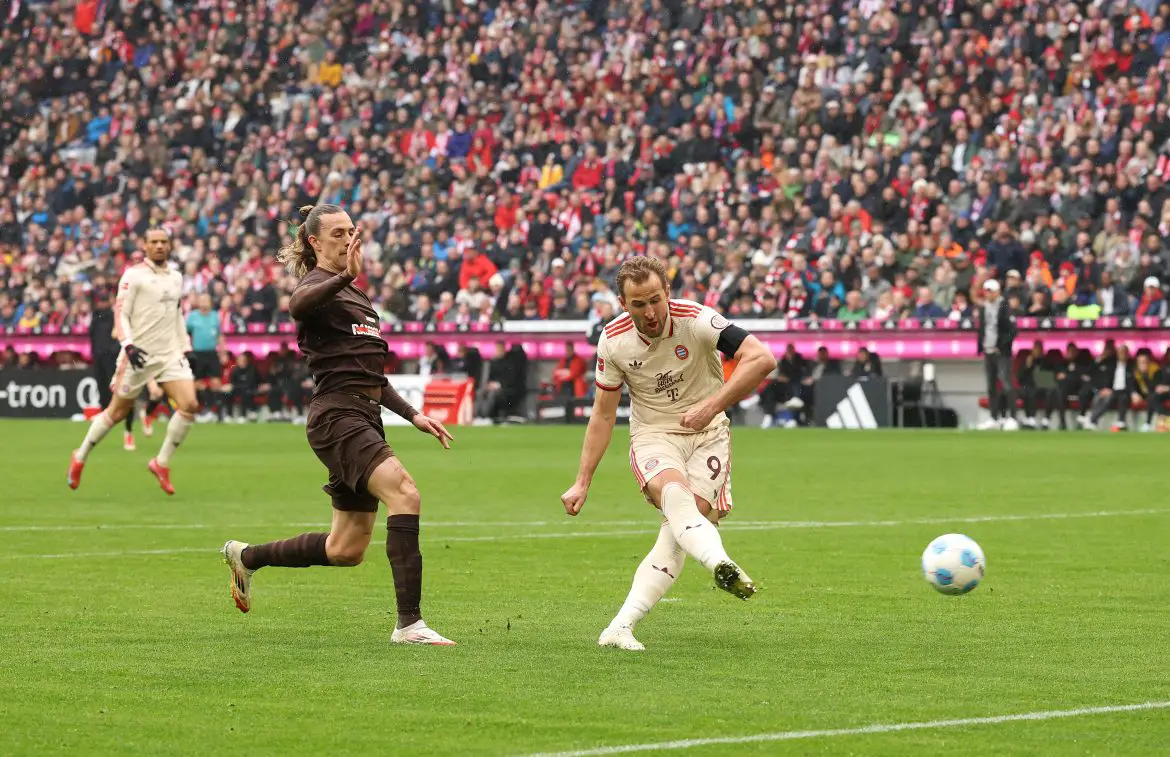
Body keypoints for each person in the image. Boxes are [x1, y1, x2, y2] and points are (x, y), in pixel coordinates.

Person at [220, 204, 456, 646]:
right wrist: (345, 276)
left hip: (362, 415)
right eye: (338, 233)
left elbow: (372, 378)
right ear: (315, 242)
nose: (349, 239)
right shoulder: (318, 286)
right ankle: (410, 625)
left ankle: (246, 557)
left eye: (352, 231)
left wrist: (415, 415)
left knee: (345, 550)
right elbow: (297, 305)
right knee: (405, 492)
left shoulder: (359, 299)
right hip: (337, 418)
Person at [560, 256, 777, 651]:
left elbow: (762, 358)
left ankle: (619, 628)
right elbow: (603, 415)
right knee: (676, 499)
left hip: (709, 434)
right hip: (655, 434)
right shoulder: (613, 341)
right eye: (639, 304)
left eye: (655, 300)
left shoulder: (697, 320)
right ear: (623, 304)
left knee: (679, 531)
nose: (650, 311)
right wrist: (582, 481)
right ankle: (720, 564)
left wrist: (712, 406)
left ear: (667, 293)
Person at [68, 229, 199, 494]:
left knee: (189, 404)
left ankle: (161, 463)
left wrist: (185, 346)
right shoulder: (133, 275)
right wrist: (127, 345)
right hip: (138, 355)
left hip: (169, 354)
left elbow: (175, 315)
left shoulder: (175, 277)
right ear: (145, 245)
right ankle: (80, 456)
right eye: (154, 242)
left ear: (170, 245)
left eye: (164, 242)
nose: (160, 246)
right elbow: (121, 314)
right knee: (116, 413)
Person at [974, 279, 1019, 430]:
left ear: (997, 292)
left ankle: (1012, 417)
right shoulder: (983, 308)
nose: (988, 293)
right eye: (986, 290)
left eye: (990, 290)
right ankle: (994, 417)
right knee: (991, 386)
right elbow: (983, 329)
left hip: (1001, 352)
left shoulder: (1005, 307)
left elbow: (1012, 330)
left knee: (1006, 383)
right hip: (988, 350)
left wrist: (1002, 345)